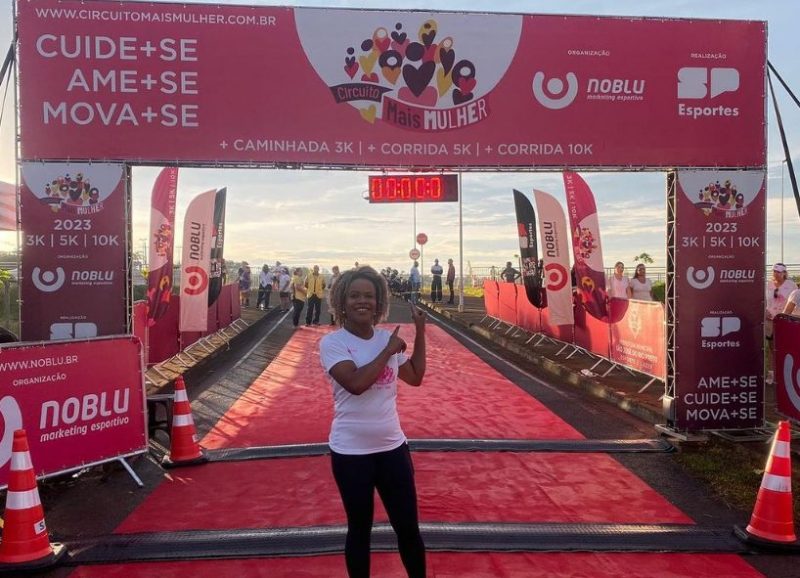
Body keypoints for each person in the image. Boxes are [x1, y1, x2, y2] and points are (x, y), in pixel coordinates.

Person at [319, 266, 427, 578]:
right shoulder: (333, 343)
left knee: (408, 528)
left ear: (379, 302)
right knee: (359, 529)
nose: (362, 301)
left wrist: (420, 332)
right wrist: (387, 351)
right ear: (342, 301)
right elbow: (356, 383)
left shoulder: (385, 338)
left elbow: (415, 377)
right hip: (351, 453)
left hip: (392, 448)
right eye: (354, 296)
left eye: (369, 296)